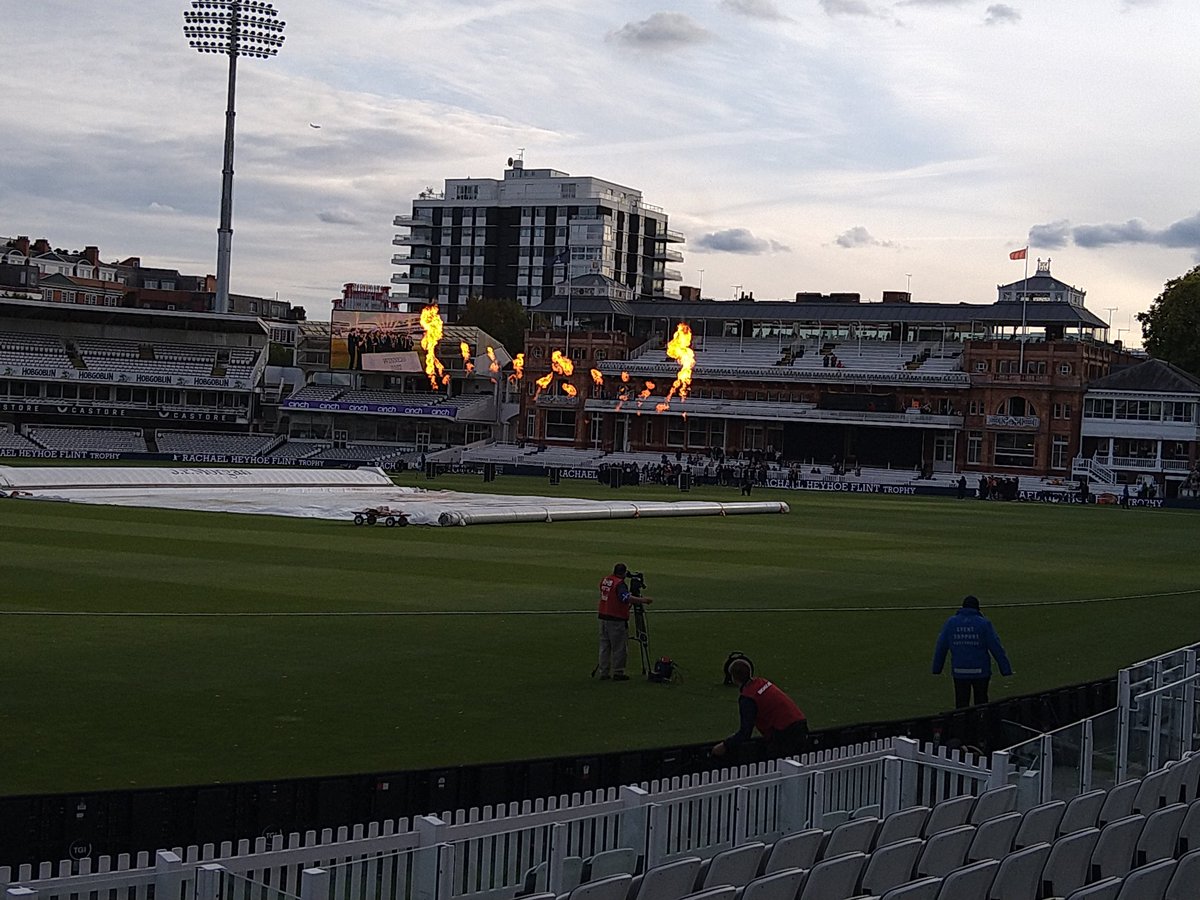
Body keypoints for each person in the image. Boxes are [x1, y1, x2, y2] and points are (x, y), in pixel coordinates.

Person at [711, 659, 808, 759]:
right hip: (799, 724)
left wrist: (725, 745)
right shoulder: (762, 682)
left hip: (785, 733)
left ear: (733, 678)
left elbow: (745, 732)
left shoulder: (748, 698)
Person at [931, 595, 1013, 708]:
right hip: (980, 671)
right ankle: (981, 724)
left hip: (959, 670)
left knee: (961, 703)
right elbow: (996, 647)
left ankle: (962, 725)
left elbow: (941, 646)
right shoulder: (983, 623)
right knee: (981, 702)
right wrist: (1005, 669)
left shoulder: (951, 623)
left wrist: (937, 668)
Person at [596, 563, 652, 681]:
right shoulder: (619, 584)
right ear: (623, 573)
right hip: (616, 619)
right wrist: (643, 600)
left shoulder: (606, 580)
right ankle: (618, 672)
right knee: (619, 647)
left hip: (603, 617)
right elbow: (625, 598)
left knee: (605, 647)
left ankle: (604, 672)